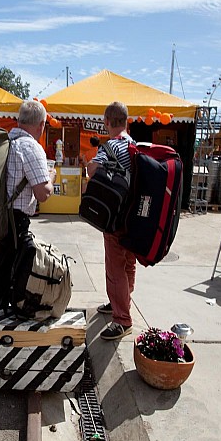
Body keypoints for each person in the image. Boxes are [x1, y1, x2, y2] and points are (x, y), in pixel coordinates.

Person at [0, 100, 54, 350]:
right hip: (14, 219)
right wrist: (51, 177)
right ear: (41, 124)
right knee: (5, 275)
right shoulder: (31, 148)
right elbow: (42, 193)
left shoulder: (3, 142)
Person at [87, 101, 136, 341]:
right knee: (128, 262)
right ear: (126, 121)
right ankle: (121, 300)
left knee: (115, 266)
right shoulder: (135, 146)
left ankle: (122, 319)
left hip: (115, 216)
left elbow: (93, 171)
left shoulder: (110, 146)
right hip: (134, 217)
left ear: (107, 121)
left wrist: (89, 164)